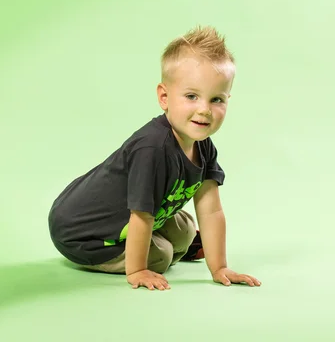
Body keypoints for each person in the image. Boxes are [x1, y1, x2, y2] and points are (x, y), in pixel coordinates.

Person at [48, 25, 261, 291]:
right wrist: (138, 271)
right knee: (162, 255)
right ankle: (136, 253)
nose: (204, 110)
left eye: (216, 99)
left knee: (185, 230)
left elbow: (211, 210)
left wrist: (219, 267)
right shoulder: (152, 149)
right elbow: (140, 215)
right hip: (82, 232)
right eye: (192, 96)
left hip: (133, 214)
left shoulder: (203, 146)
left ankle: (157, 244)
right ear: (164, 97)